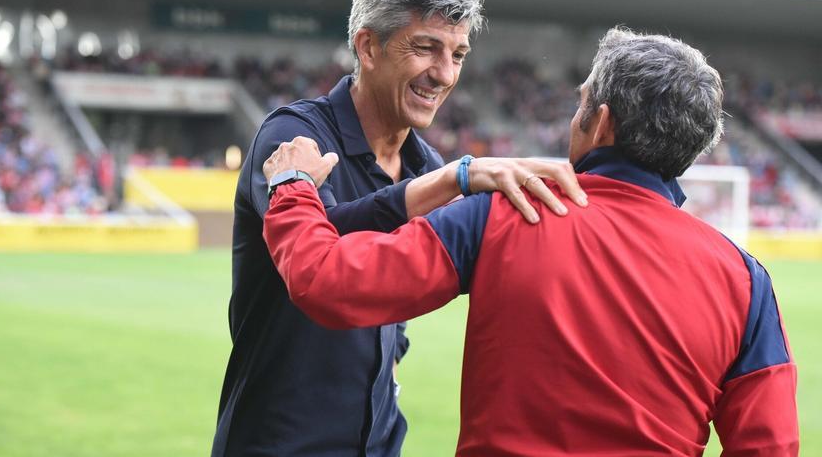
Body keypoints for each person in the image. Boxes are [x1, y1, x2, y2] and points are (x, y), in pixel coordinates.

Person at [261, 28, 799, 455]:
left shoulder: (506, 211)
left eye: (581, 103)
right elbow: (770, 445)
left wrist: (292, 185)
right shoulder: (745, 280)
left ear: (601, 123)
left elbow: (327, 282)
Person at [211, 0, 589, 455]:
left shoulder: (426, 166)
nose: (445, 74)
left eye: (458, 54)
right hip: (277, 441)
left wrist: (393, 350)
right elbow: (324, 247)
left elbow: (401, 280)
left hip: (380, 443)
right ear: (368, 47)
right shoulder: (293, 139)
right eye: (426, 48)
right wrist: (454, 179)